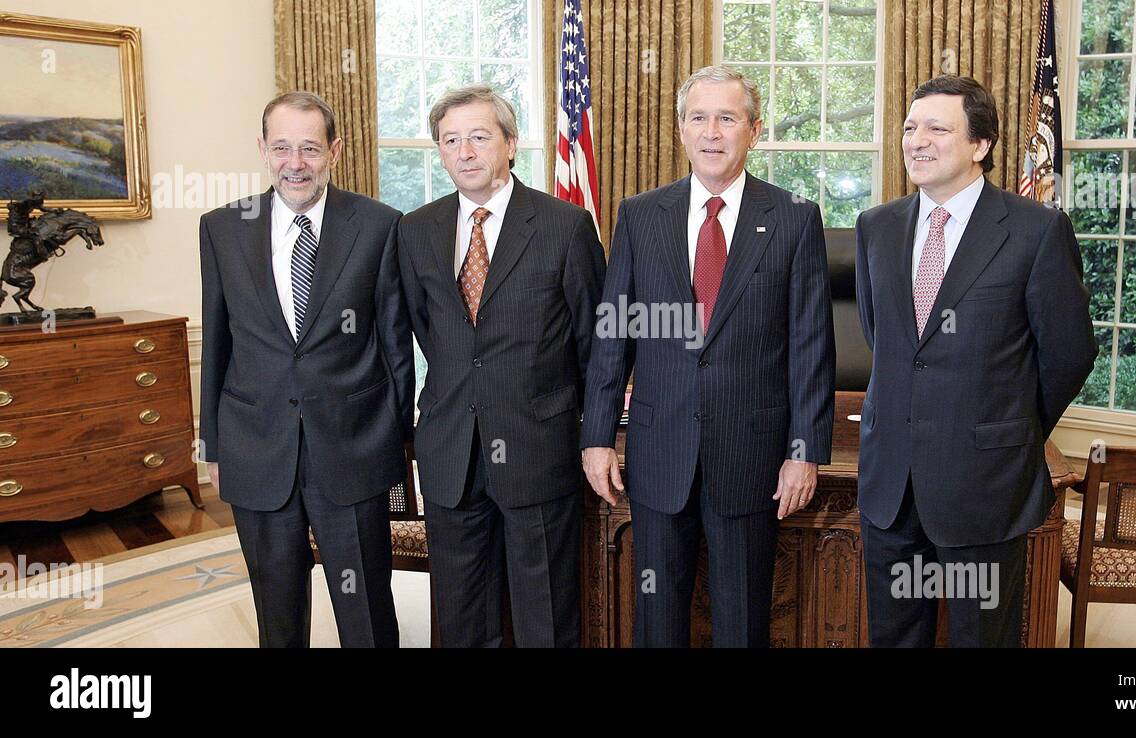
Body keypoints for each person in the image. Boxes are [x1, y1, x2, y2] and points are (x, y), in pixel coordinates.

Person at [581, 65, 835, 648]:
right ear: (681, 129)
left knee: (742, 624)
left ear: (754, 129)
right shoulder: (641, 215)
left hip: (751, 457)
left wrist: (805, 451)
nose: (712, 132)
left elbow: (811, 346)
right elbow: (612, 335)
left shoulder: (794, 217)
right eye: (699, 117)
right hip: (658, 452)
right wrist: (597, 437)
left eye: (728, 117)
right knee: (657, 620)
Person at [854, 75, 1097, 647]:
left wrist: (1008, 424)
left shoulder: (1036, 231)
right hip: (891, 483)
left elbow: (1068, 354)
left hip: (985, 481)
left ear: (980, 146)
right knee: (894, 637)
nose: (917, 140)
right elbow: (887, 342)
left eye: (938, 128)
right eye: (911, 127)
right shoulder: (875, 228)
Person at [199, 91, 412, 647]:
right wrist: (213, 445)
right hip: (256, 447)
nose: (296, 163)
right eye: (283, 148)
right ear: (263, 150)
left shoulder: (379, 225)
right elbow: (217, 342)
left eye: (310, 149)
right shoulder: (222, 228)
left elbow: (395, 345)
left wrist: (394, 441)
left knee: (365, 605)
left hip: (352, 449)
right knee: (277, 606)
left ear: (334, 152)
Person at [397, 85, 605, 647]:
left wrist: (596, 435)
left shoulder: (565, 226)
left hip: (537, 446)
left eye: (479, 137)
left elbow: (595, 342)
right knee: (463, 616)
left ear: (510, 144)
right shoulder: (415, 231)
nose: (464, 151)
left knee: (545, 616)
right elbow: (427, 330)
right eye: (450, 140)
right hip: (450, 450)